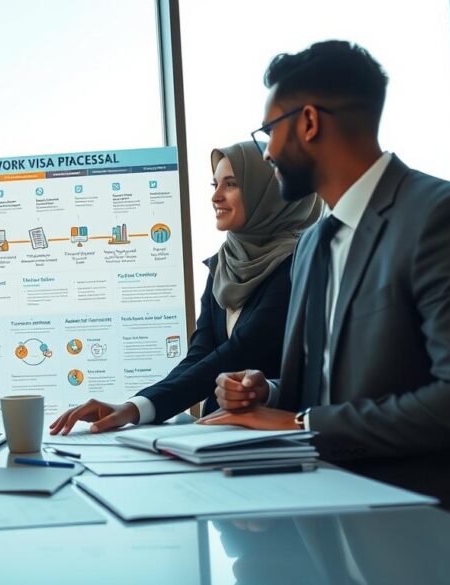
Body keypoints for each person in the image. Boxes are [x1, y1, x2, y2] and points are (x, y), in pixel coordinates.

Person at [198, 40, 450, 520]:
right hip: (319, 519)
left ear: (309, 123)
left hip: (423, 531)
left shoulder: (445, 217)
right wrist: (266, 391)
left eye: (269, 130)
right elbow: (330, 387)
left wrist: (304, 422)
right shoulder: (311, 244)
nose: (266, 151)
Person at [49, 141, 321, 435]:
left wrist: (132, 409)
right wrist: (135, 405)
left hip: (280, 438)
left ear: (267, 191)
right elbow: (200, 354)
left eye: (231, 184)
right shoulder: (225, 264)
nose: (215, 196)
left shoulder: (298, 262)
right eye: (214, 184)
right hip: (219, 433)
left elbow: (240, 352)